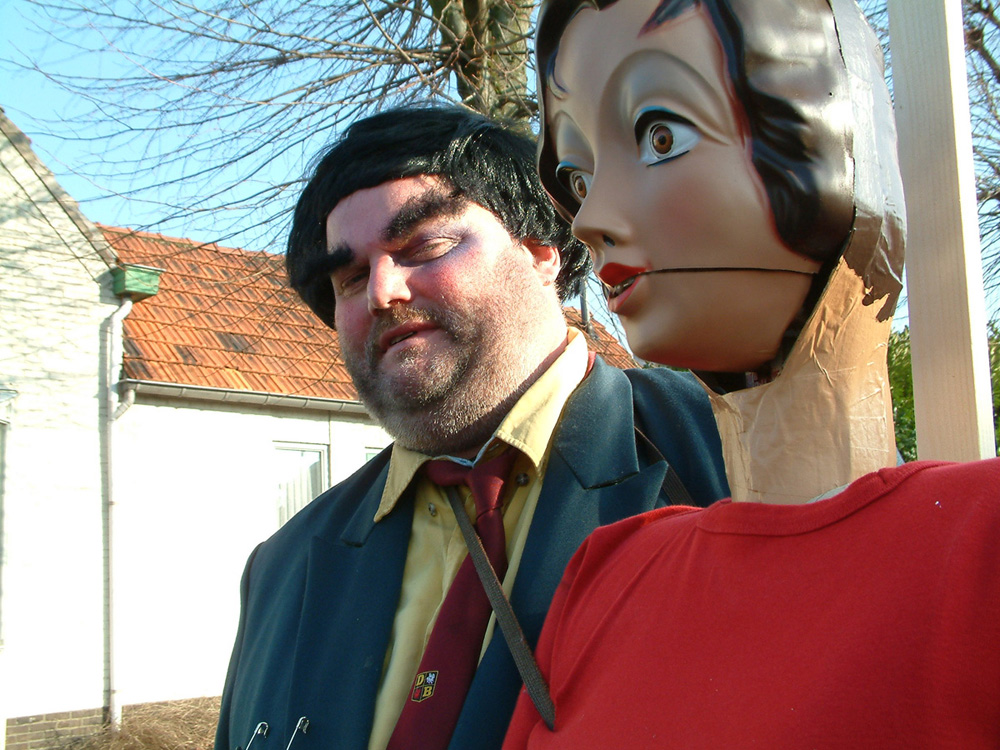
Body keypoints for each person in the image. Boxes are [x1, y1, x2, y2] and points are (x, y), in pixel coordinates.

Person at [503, 0, 1000, 746]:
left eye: (660, 135)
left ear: (835, 142)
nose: (589, 217)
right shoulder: (603, 582)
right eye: (577, 177)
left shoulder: (981, 543)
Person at [214, 105, 729, 750]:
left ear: (541, 249)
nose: (381, 292)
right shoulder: (280, 572)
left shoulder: (730, 450)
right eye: (349, 277)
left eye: (425, 246)